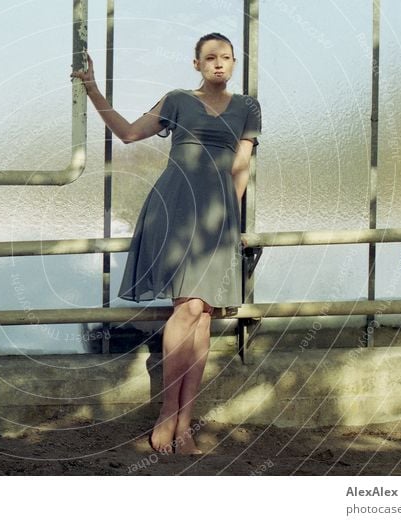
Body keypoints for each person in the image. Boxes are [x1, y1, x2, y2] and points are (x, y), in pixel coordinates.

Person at [70, 33, 261, 455]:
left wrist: (232, 222)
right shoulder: (177, 100)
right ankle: (167, 415)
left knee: (205, 314)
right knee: (188, 307)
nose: (218, 64)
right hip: (174, 209)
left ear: (233, 63)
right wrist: (93, 89)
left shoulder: (248, 107)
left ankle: (186, 422)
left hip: (219, 218)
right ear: (196, 64)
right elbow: (128, 134)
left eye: (226, 58)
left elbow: (241, 167)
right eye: (209, 57)